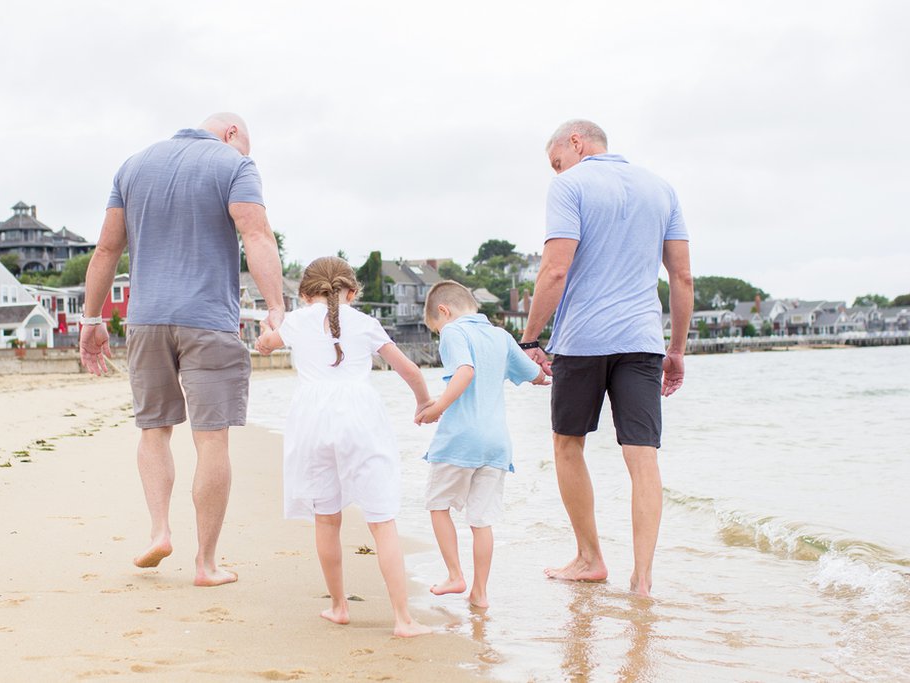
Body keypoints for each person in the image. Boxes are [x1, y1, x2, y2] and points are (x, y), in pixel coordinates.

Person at [79, 112, 284, 587]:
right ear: (231, 134)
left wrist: (91, 320)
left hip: (146, 320)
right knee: (211, 439)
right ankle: (206, 564)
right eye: (245, 145)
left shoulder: (133, 166)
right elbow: (256, 233)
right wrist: (276, 306)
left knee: (154, 431)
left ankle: (159, 531)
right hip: (208, 321)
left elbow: (106, 249)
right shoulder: (234, 165)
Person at [519, 119, 694, 597]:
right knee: (643, 456)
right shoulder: (661, 188)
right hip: (643, 341)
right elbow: (682, 278)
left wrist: (530, 340)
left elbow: (555, 270)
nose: (558, 172)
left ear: (576, 143)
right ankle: (643, 578)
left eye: (557, 162)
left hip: (583, 340)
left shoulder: (570, 186)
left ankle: (590, 559)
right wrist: (676, 349)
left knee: (567, 445)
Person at [255, 256, 432, 637]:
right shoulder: (366, 323)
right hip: (360, 419)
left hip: (311, 422)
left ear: (305, 295)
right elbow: (410, 370)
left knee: (326, 519)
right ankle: (403, 619)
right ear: (352, 292)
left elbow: (266, 345)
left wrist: (267, 332)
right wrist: (423, 403)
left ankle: (339, 606)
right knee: (382, 521)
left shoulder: (296, 321)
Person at [414, 281, 548, 609]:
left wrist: (437, 408)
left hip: (460, 440)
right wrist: (549, 375)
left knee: (438, 505)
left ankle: (454, 575)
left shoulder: (453, 331)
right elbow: (536, 375)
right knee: (481, 520)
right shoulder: (501, 336)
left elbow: (465, 373)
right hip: (497, 445)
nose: (440, 333)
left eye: (436, 328)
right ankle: (480, 593)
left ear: (444, 311)